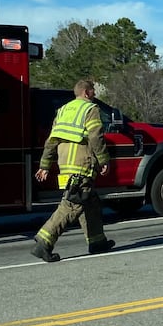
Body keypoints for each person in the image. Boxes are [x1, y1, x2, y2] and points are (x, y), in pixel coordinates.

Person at [31, 79, 115, 262]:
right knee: (73, 203)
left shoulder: (63, 110)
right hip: (82, 164)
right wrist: (104, 160)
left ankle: (97, 242)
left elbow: (51, 140)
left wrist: (45, 165)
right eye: (93, 90)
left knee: (90, 202)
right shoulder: (90, 109)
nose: (95, 94)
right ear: (86, 92)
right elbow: (95, 136)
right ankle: (44, 241)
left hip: (65, 164)